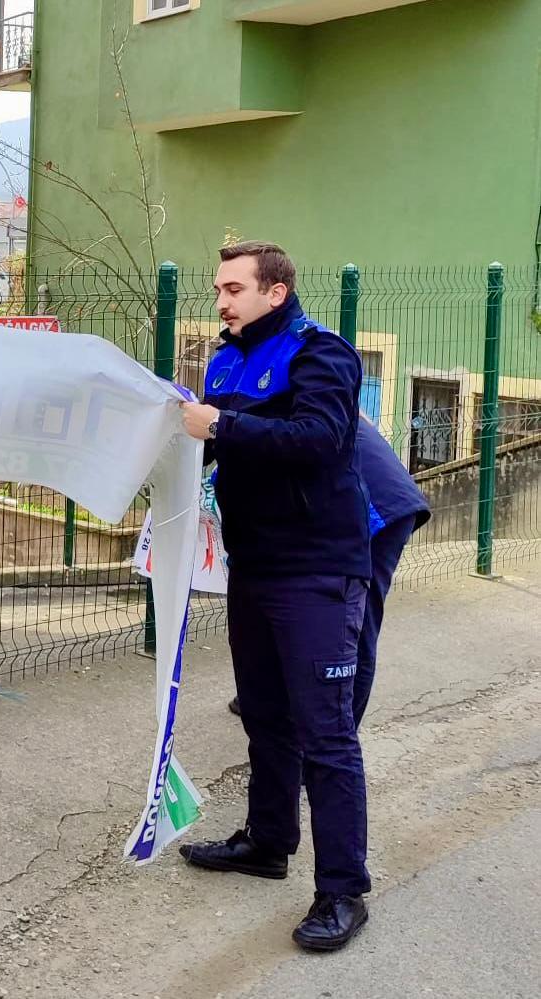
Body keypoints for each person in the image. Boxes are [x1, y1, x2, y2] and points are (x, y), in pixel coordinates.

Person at [177, 242, 373, 952]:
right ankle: (266, 842)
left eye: (233, 288)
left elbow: (318, 440)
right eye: (218, 289)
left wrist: (220, 425)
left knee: (325, 732)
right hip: (253, 565)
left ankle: (343, 889)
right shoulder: (225, 359)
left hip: (317, 568)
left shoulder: (321, 354)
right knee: (263, 714)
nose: (221, 301)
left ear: (276, 292)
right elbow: (212, 444)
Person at [229, 415, 430, 725]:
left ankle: (339, 733)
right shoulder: (258, 407)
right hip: (355, 503)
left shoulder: (269, 408)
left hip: (377, 510)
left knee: (355, 627)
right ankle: (275, 704)